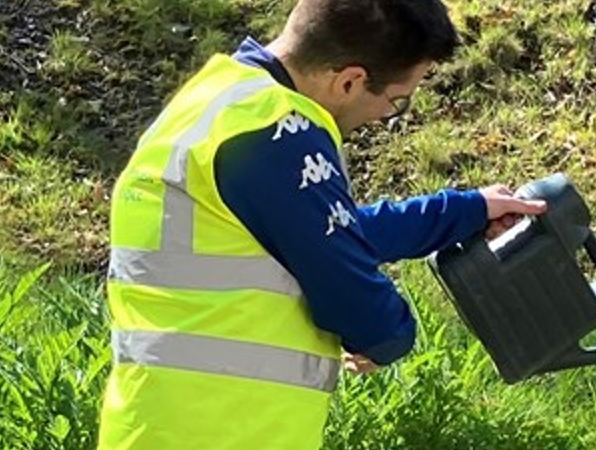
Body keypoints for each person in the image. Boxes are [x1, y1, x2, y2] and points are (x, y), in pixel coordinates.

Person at [97, 0, 547, 449]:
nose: (385, 117)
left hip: (157, 426)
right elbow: (358, 303)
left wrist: (465, 211)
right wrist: (389, 334)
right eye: (396, 101)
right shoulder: (279, 131)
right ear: (349, 80)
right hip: (225, 432)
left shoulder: (218, 99)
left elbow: (313, 237)